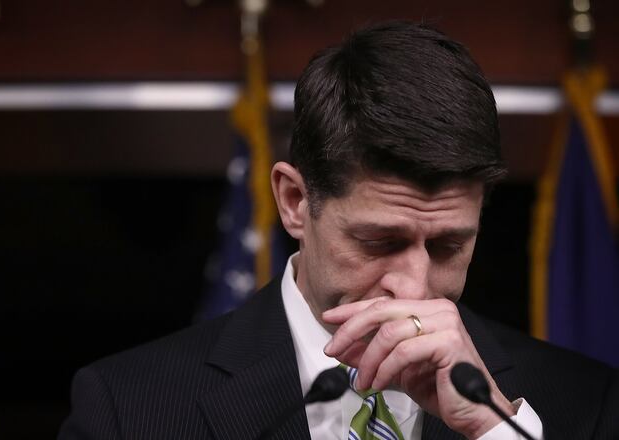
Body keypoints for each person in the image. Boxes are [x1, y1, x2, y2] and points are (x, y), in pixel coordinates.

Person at [58, 22, 619, 439]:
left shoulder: (585, 404)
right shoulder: (127, 410)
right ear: (295, 201)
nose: (414, 287)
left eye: (449, 245)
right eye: (380, 241)